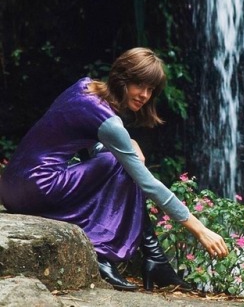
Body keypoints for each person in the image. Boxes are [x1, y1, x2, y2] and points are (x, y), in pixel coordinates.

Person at [0, 47, 229, 291]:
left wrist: (127, 145)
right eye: (139, 84)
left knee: (121, 162)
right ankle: (108, 252)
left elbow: (94, 147)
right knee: (128, 168)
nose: (144, 95)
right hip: (40, 186)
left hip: (12, 188)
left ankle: (155, 258)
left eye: (151, 89)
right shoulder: (111, 123)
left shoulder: (84, 87)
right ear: (122, 78)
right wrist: (200, 229)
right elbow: (147, 183)